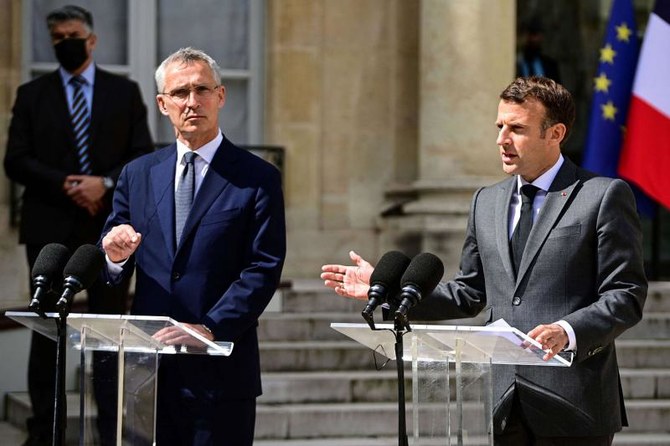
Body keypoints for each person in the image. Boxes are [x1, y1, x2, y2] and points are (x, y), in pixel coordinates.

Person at [321, 76, 647, 445]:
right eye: (500, 126)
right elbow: (469, 292)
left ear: (555, 133)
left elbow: (625, 295)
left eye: (517, 129)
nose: (501, 140)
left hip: (573, 403)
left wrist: (567, 331)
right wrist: (390, 293)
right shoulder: (486, 202)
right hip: (504, 404)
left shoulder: (602, 196)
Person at [100, 47, 286, 446]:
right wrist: (115, 259)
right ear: (162, 104)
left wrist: (209, 328)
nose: (192, 101)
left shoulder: (257, 177)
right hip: (148, 372)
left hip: (220, 375)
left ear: (220, 96)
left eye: (202, 89)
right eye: (180, 92)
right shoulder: (137, 174)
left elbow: (263, 266)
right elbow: (115, 259)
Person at [3, 5, 153, 446]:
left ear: (91, 40)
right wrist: (67, 184)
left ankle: (110, 431)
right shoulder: (33, 95)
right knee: (46, 328)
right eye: (57, 37)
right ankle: (42, 433)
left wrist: (102, 184)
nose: (65, 42)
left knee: (109, 333)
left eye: (72, 34)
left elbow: (141, 153)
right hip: (49, 231)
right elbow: (16, 159)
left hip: (107, 231)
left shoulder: (123, 92)